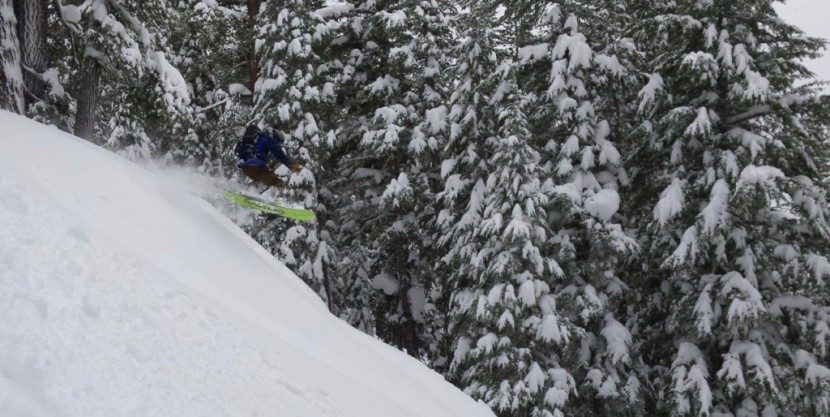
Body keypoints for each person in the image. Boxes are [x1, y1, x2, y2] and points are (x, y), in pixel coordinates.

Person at [234, 124, 302, 189]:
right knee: (277, 182)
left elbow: (237, 151)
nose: (277, 144)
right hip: (257, 166)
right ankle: (279, 198)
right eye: (278, 142)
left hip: (244, 167)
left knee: (261, 180)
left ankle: (247, 191)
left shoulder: (248, 138)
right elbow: (278, 152)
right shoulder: (266, 138)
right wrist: (290, 165)